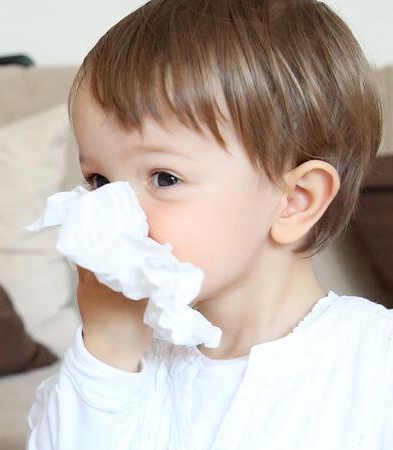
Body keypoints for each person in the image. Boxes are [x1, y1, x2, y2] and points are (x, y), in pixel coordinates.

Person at [27, 0, 393, 448]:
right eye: (99, 181)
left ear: (295, 201)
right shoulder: (118, 366)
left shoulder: (374, 363)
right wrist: (108, 352)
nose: (115, 214)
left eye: (164, 178)